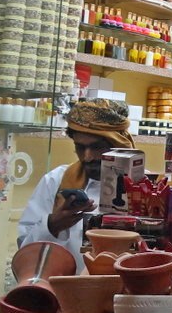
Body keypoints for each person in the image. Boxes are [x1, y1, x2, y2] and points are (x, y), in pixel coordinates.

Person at [17, 99, 135, 273]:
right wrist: (51, 225)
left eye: (97, 148)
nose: (88, 157)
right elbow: (26, 251)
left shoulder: (144, 185)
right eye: (80, 148)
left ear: (118, 144)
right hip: (64, 292)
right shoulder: (56, 181)